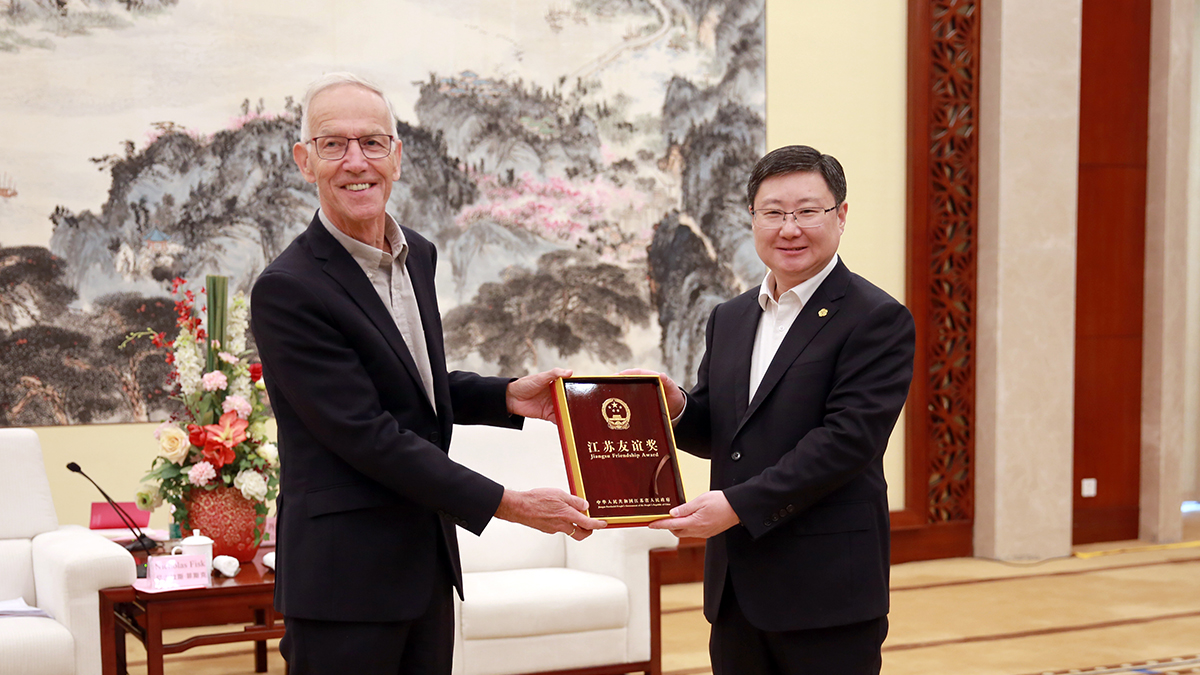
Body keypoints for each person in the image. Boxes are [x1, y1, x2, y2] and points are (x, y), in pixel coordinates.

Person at [250, 72, 605, 675]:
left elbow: (411, 384)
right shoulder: (288, 289)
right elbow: (365, 433)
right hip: (344, 582)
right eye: (333, 144)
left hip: (424, 563)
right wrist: (509, 503)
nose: (355, 161)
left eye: (373, 142)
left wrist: (506, 397)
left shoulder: (416, 255)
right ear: (304, 161)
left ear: (398, 156)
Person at [639, 145, 915, 674]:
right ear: (753, 219)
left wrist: (737, 505)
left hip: (827, 589)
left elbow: (846, 442)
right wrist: (671, 407)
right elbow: (720, 431)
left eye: (808, 211)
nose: (790, 228)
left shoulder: (876, 318)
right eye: (773, 213)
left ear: (841, 215)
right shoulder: (731, 317)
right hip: (737, 588)